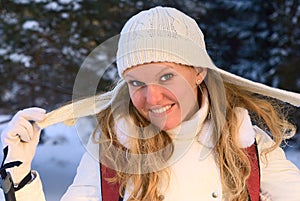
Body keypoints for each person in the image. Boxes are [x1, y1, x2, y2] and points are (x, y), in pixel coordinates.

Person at [1, 6, 300, 201]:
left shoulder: (247, 146)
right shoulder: (111, 154)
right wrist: (20, 175)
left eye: (167, 76)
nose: (152, 98)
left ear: (198, 71)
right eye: (136, 83)